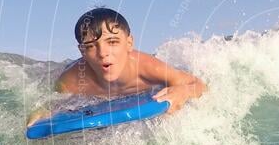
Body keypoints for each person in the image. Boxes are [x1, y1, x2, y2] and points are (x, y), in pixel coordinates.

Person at [28, 8, 206, 125]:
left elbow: (199, 85)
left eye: (112, 42)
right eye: (90, 46)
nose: (103, 53)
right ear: (82, 51)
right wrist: (43, 113)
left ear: (129, 43)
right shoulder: (71, 81)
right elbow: (53, 105)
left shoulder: (145, 68)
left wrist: (183, 92)